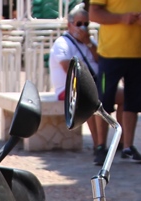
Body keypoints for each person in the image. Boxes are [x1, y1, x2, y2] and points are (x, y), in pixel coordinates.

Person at [88, 0, 141, 166]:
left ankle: (128, 146)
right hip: (111, 53)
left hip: (140, 52)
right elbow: (94, 13)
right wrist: (122, 18)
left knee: (133, 104)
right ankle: (101, 147)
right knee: (104, 102)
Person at [48, 6, 107, 157]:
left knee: (122, 96)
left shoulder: (89, 41)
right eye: (79, 24)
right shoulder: (62, 43)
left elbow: (101, 60)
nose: (83, 28)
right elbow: (68, 69)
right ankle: (98, 145)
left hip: (93, 85)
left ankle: (123, 143)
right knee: (92, 101)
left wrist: (88, 43)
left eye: (86, 24)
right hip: (68, 89)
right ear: (70, 25)